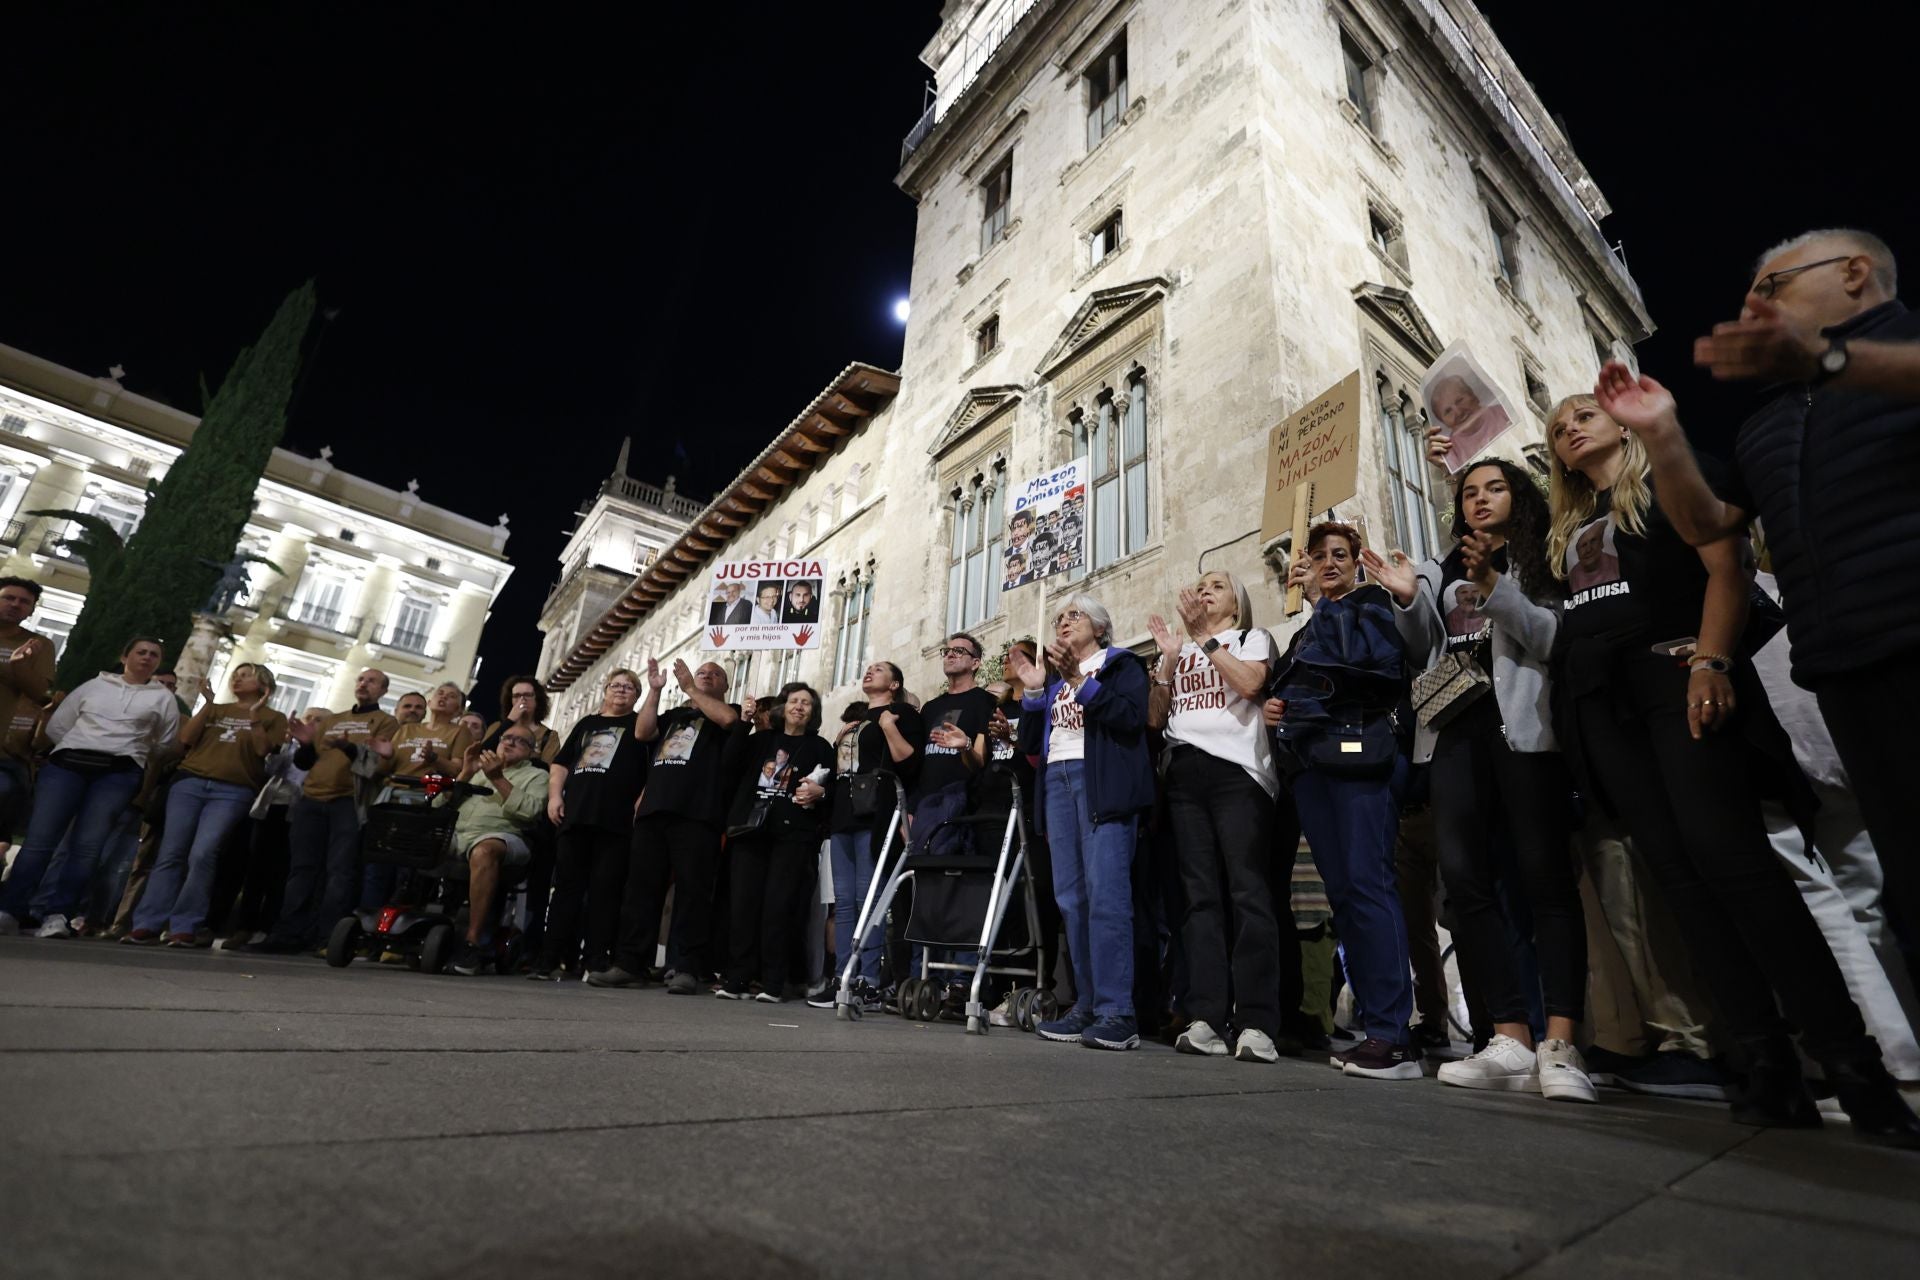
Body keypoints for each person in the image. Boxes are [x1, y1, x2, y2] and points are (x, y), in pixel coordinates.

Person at [1543, 390, 1918, 1146]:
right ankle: (1765, 1064)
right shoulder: (1569, 529)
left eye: (1583, 413)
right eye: (1556, 427)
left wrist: (1711, 661)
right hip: (1602, 707)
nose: (1570, 427)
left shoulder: (1672, 480)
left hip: (1676, 677)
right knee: (1679, 881)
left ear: (1620, 421)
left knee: (1737, 866)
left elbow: (1729, 566)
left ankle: (1854, 1067)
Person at [1598, 229, 1920, 982]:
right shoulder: (1768, 420)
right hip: (1844, 668)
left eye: (1771, 287)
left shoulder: (1897, 345)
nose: (1750, 305)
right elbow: (1709, 527)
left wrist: (1834, 362)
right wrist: (1664, 435)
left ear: (1853, 273)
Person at [1366, 459, 1594, 1101]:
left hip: (1520, 729)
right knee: (1466, 884)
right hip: (1453, 735)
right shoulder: (1442, 570)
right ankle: (1509, 1036)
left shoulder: (1542, 555)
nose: (1479, 499)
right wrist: (1409, 598)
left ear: (1516, 496)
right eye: (1468, 491)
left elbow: (1550, 637)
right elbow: (1425, 650)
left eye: (1494, 487)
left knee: (1544, 879)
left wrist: (1495, 585)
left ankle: (1562, 1039)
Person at [1265, 523, 1420, 1080]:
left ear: (1356, 562)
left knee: (1367, 883)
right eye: (1318, 556)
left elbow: (1364, 662)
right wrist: (1276, 707)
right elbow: (1290, 686)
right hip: (1316, 769)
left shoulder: (1371, 602)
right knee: (1345, 894)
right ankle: (1381, 1027)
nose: (1328, 564)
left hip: (1363, 759)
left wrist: (1318, 602)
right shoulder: (1307, 628)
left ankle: (1391, 1035)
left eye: (1339, 555)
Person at [1147, 570, 1286, 1063]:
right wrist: (1167, 662)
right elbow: (1156, 717)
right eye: (1200, 584)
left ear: (1237, 603)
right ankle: (1205, 1014)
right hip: (1184, 772)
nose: (1205, 590)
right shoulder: (1182, 650)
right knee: (1198, 899)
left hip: (1238, 774)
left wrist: (1205, 639)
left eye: (1217, 586)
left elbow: (1250, 684)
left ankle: (1257, 1021)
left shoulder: (1250, 638)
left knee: (1248, 893)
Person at [1010, 596, 1152, 1051]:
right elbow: (1030, 747)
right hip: (1056, 780)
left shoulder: (1121, 664)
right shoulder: (1050, 680)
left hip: (1101, 783)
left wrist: (1078, 680)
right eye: (1059, 618)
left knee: (1108, 897)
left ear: (1101, 627)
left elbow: (1130, 720)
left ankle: (1118, 1012)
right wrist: (1034, 694)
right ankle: (1087, 1005)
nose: (1064, 622)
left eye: (1075, 615)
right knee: (1072, 900)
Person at [0, 637, 181, 938]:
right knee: (40, 841)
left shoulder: (162, 698)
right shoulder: (93, 687)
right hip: (69, 764)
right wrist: (83, 743)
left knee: (87, 847)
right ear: (125, 656)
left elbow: (164, 742)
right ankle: (10, 909)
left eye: (154, 655)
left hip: (118, 771)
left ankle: (58, 914)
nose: (147, 658)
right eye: (141, 652)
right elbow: (59, 725)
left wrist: (132, 749)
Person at [591, 658, 745, 993]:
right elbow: (643, 731)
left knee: (692, 892)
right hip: (655, 809)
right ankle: (629, 963)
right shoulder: (676, 715)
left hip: (697, 813)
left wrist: (690, 686)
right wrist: (655, 691)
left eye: (715, 674)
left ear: (725, 686)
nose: (706, 675)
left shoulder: (728, 711)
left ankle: (687, 966)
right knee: (640, 891)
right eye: (701, 671)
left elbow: (729, 720)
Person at [125, 663, 288, 946]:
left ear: (264, 686)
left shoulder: (274, 717)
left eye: (246, 675)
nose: (237, 678)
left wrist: (253, 717)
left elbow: (263, 750)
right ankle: (147, 923)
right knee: (171, 853)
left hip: (234, 790)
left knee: (203, 854)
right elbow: (187, 739)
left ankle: (185, 925)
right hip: (190, 782)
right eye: (236, 674)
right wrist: (208, 705)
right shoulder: (217, 709)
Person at [250, 668, 398, 953]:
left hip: (348, 801)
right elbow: (306, 763)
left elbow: (377, 767)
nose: (364, 684)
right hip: (311, 799)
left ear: (383, 691)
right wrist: (305, 744)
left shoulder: (385, 722)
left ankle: (327, 938)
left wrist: (347, 746)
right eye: (361, 679)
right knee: (301, 869)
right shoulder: (333, 720)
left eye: (372, 681)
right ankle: (287, 934)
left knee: (339, 872)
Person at [808, 661, 924, 1013]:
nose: (869, 672)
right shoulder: (854, 722)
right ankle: (843, 976)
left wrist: (888, 726)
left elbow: (908, 761)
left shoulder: (901, 712)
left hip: (876, 813)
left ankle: (869, 981)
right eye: (868, 669)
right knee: (844, 902)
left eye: (879, 670)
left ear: (894, 684)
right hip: (843, 814)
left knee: (868, 898)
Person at [718, 683, 833, 1001]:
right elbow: (729, 764)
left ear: (813, 713)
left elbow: (830, 787)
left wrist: (820, 792)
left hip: (793, 836)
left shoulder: (820, 746)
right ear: (782, 708)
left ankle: (773, 982)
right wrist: (744, 721)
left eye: (807, 703)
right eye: (794, 701)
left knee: (779, 908)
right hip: (751, 832)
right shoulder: (761, 741)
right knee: (743, 905)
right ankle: (737, 979)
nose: (799, 707)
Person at [530, 669, 645, 980]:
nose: (622, 690)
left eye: (630, 687)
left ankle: (594, 958)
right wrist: (555, 797)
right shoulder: (587, 724)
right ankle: (549, 958)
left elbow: (652, 769)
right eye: (616, 685)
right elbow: (560, 764)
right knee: (566, 889)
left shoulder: (640, 726)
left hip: (616, 821)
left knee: (605, 892)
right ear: (605, 690)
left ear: (637, 695)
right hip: (576, 816)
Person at [908, 633, 999, 1001]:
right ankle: (922, 977)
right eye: (947, 650)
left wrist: (963, 747)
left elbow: (981, 760)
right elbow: (920, 764)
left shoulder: (985, 702)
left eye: (960, 651)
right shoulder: (931, 706)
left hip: (965, 806)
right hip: (926, 808)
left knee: (961, 892)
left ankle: (960, 979)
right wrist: (912, 810)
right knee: (924, 891)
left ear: (976, 662)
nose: (950, 656)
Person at [445, 730, 547, 976]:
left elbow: (530, 812)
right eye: (506, 738)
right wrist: (467, 772)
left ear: (532, 752)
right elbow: (441, 807)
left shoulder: (537, 775)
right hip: (460, 834)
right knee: (414, 838)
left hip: (505, 837)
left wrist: (498, 779)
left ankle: (473, 942)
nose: (510, 742)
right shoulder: (477, 772)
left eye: (520, 741)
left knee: (484, 850)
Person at [0, 577, 55, 842]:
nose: (15, 605)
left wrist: (19, 667)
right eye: (8, 598)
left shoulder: (38, 646)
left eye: (24, 602)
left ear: (32, 610)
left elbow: (39, 693)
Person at [386, 681, 474, 784]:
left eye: (452, 696)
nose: (444, 697)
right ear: (429, 703)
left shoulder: (460, 732)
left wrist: (433, 757)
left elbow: (457, 770)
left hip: (423, 792)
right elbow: (388, 766)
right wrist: (384, 755)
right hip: (391, 789)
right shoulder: (407, 729)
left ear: (459, 710)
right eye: (440, 693)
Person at [1428, 373, 1512, 471]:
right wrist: (1445, 468)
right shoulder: (1450, 449)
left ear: (1473, 395)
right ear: (1444, 422)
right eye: (1448, 411)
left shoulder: (1503, 412)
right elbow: (1458, 484)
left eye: (1459, 401)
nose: (1458, 412)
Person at [481, 674, 562, 763]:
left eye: (528, 695)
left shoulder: (549, 736)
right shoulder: (497, 727)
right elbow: (480, 754)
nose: (522, 699)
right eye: (516, 696)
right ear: (510, 700)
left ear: (537, 699)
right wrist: (509, 721)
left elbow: (548, 769)